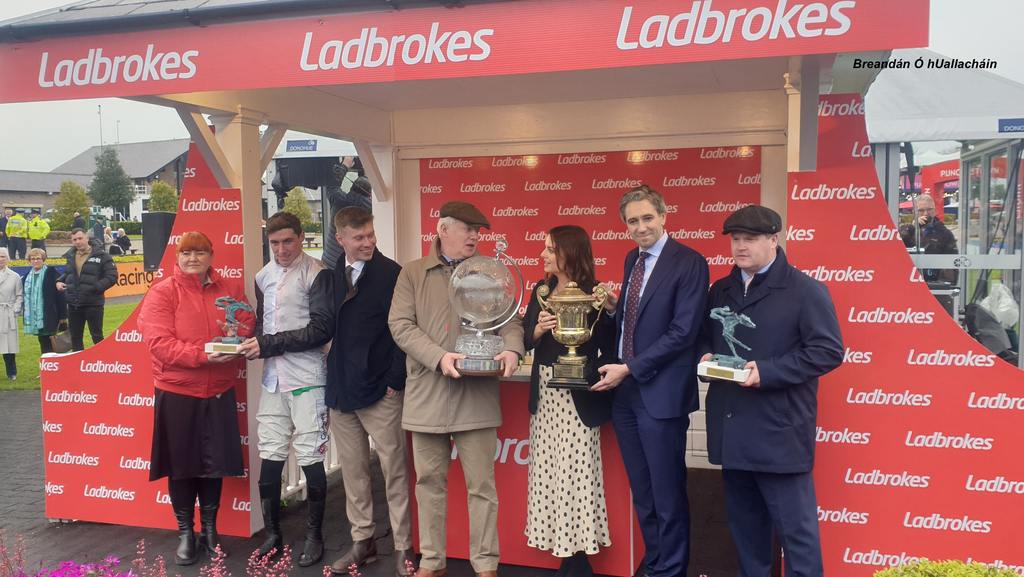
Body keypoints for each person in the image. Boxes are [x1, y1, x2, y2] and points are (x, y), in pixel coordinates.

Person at [699, 205, 843, 577]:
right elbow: (704, 338)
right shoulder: (721, 290)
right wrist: (705, 358)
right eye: (736, 239)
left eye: (751, 239)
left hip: (779, 433)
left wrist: (769, 371)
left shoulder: (805, 290)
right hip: (731, 430)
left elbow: (827, 352)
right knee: (748, 537)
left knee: (797, 536)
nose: (740, 247)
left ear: (774, 240)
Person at [389, 201, 525, 577]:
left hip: (476, 398)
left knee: (482, 487)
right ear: (442, 229)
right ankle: (431, 563)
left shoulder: (488, 272)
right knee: (429, 484)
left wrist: (513, 348)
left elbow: (511, 321)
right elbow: (400, 325)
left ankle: (486, 566)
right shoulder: (413, 274)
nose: (474, 237)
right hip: (427, 396)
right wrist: (439, 357)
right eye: (467, 229)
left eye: (478, 231)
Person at [593, 184, 709, 577]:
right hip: (627, 393)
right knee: (644, 492)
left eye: (647, 218)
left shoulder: (689, 261)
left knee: (667, 492)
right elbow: (636, 321)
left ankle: (673, 569)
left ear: (663, 216)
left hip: (660, 393)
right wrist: (614, 309)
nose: (640, 227)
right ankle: (656, 562)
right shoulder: (633, 259)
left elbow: (683, 332)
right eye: (632, 221)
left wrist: (630, 367)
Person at [139, 231, 254, 566]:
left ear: (211, 256)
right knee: (182, 466)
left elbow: (246, 323)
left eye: (200, 253)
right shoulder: (162, 293)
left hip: (218, 390)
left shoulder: (229, 289)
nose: (193, 259)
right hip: (178, 393)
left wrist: (236, 340)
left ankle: (210, 530)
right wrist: (205, 354)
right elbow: (159, 344)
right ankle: (186, 532)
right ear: (177, 257)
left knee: (213, 465)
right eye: (186, 253)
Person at [235, 212, 331, 567]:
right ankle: (273, 535)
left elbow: (321, 330)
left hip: (308, 378)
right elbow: (263, 326)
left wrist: (268, 344)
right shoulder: (263, 275)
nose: (281, 249)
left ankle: (314, 535)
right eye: (274, 243)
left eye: (287, 241)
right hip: (273, 379)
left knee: (310, 455)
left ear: (301, 238)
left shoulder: (318, 272)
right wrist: (244, 342)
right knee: (271, 455)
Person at [521, 226, 614, 577]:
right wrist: (539, 330)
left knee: (578, 473)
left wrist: (612, 310)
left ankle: (579, 556)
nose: (543, 255)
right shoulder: (540, 290)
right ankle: (563, 550)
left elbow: (609, 342)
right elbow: (527, 340)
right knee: (548, 472)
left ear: (568, 253)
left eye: (549, 249)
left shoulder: (594, 293)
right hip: (545, 392)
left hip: (579, 394)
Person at [57, 228, 117, 351]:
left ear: (87, 238)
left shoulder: (102, 255)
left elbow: (112, 276)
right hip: (74, 303)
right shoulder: (71, 255)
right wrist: (59, 281)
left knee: (97, 336)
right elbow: (69, 273)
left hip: (93, 303)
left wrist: (96, 287)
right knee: (75, 337)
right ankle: (78, 365)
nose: (77, 242)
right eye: (74, 240)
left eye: (80, 238)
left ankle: (103, 363)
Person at [322, 156, 372, 269]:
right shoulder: (371, 208)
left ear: (351, 188)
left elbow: (331, 184)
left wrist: (345, 164)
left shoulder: (339, 201)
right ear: (369, 194)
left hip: (329, 262)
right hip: (355, 265)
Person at [899, 194, 957, 283]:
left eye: (929, 209)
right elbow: (897, 245)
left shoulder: (944, 233)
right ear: (914, 212)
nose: (926, 213)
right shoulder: (907, 230)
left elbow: (952, 262)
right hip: (909, 282)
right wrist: (913, 227)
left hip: (934, 284)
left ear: (935, 210)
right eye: (921, 210)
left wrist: (942, 286)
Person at [22, 248, 67, 355]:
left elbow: (60, 295)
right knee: (43, 341)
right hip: (36, 316)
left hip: (50, 315)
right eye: (33, 259)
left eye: (38, 258)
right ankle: (48, 366)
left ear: (43, 259)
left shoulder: (51, 273)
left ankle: (56, 367)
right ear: (29, 261)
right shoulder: (27, 276)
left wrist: (63, 316)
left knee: (53, 342)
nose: (35, 261)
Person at [0, 248, 23, 380]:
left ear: (7, 258)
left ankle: (11, 372)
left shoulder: (14, 276)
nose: (0, 259)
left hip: (7, 313)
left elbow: (19, 295)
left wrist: (15, 309)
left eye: (3, 256)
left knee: (8, 345)